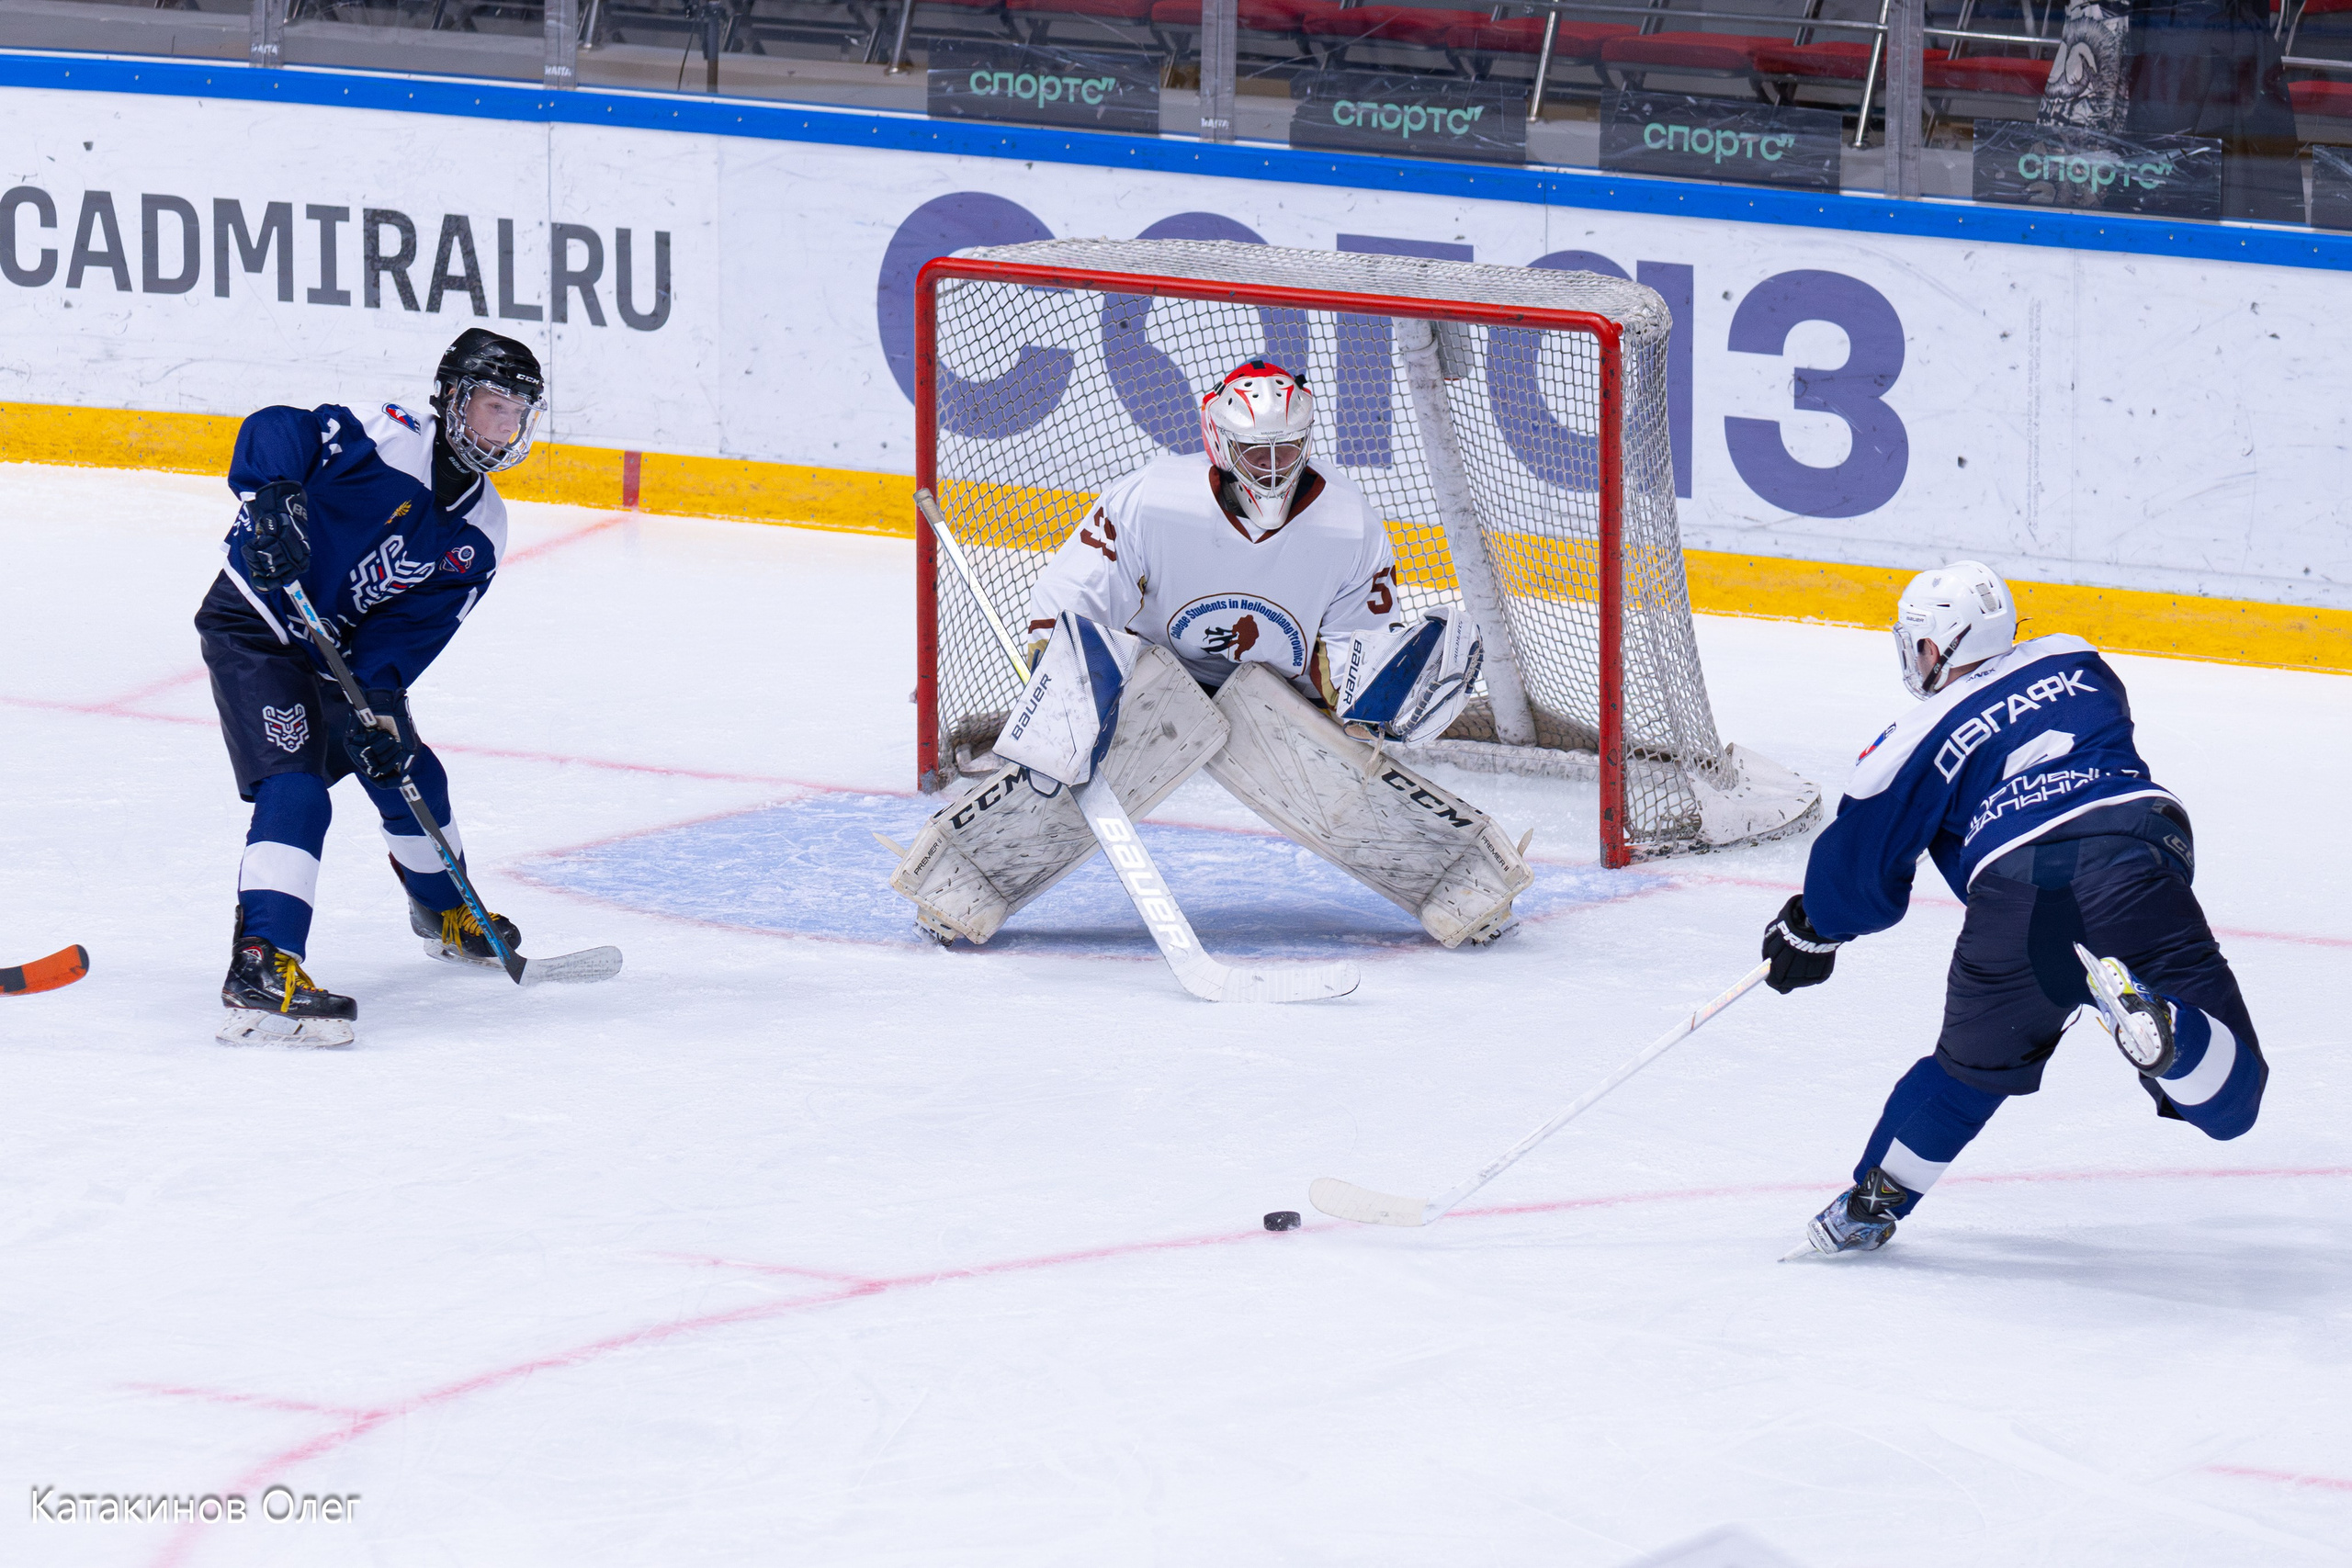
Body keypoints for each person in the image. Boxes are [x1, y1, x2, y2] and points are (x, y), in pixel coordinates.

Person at [889, 359, 1530, 950]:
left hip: (1275, 690)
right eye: (1257, 451)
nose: (1274, 467)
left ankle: (1460, 871)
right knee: (1067, 753)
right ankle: (959, 870)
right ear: (1221, 443)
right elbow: (1075, 597)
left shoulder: (1348, 524)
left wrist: (1371, 694)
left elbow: (1348, 654)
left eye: (1287, 450)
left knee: (1335, 771)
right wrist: (1060, 684)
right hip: (1148, 681)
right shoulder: (1153, 501)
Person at [1761, 561, 2267, 1254]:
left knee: (1966, 1073)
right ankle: (2166, 1027)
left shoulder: (1913, 736)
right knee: (2233, 1100)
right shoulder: (2076, 658)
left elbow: (1862, 868)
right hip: (2133, 864)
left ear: (1939, 644)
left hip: (2017, 903)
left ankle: (1869, 1205)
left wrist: (1813, 927)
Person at [198, 328, 548, 1046]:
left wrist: (376, 709)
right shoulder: (385, 438)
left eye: (517, 413)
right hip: (260, 623)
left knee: (407, 767)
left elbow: (406, 637)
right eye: (492, 406)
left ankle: (446, 911)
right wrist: (271, 495)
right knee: (294, 788)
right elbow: (277, 428)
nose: (504, 427)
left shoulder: (483, 529)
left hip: (335, 655)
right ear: (452, 399)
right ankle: (264, 960)